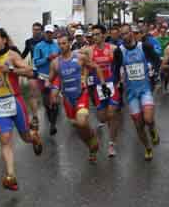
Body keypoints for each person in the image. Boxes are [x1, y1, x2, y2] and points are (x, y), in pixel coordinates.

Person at [0, 28, 43, 191]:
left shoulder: (12, 55)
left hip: (15, 101)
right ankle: (11, 176)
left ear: (4, 40)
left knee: (25, 138)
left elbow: (32, 72)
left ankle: (35, 137)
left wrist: (11, 70)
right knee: (4, 138)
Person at [49, 35, 109, 163]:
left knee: (81, 122)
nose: (62, 46)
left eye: (64, 43)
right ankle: (91, 148)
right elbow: (53, 81)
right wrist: (53, 94)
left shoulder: (80, 57)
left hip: (81, 94)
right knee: (79, 128)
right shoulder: (55, 63)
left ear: (69, 43)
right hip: (67, 99)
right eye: (59, 44)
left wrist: (103, 84)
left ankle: (92, 136)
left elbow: (96, 67)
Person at [114, 24, 161, 161]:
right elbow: (116, 69)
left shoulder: (144, 47)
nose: (124, 36)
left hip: (145, 89)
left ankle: (152, 130)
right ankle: (147, 148)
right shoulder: (119, 51)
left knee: (148, 119)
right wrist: (116, 82)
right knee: (139, 125)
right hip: (131, 93)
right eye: (122, 34)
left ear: (132, 33)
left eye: (127, 33)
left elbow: (156, 60)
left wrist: (155, 71)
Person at [85, 24, 121, 157]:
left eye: (97, 34)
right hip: (98, 87)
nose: (95, 37)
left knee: (112, 114)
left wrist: (120, 79)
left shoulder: (112, 48)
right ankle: (93, 140)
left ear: (104, 35)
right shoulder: (88, 50)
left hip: (111, 85)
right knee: (102, 118)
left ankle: (112, 144)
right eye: (93, 34)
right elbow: (80, 60)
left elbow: (120, 63)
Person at [33, 25, 61, 135]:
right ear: (44, 33)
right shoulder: (38, 46)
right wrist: (48, 58)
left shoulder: (57, 45)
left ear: (53, 34)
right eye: (47, 33)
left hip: (55, 76)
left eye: (51, 33)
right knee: (46, 101)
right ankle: (51, 120)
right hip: (43, 76)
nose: (49, 35)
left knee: (55, 100)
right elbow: (36, 62)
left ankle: (53, 124)